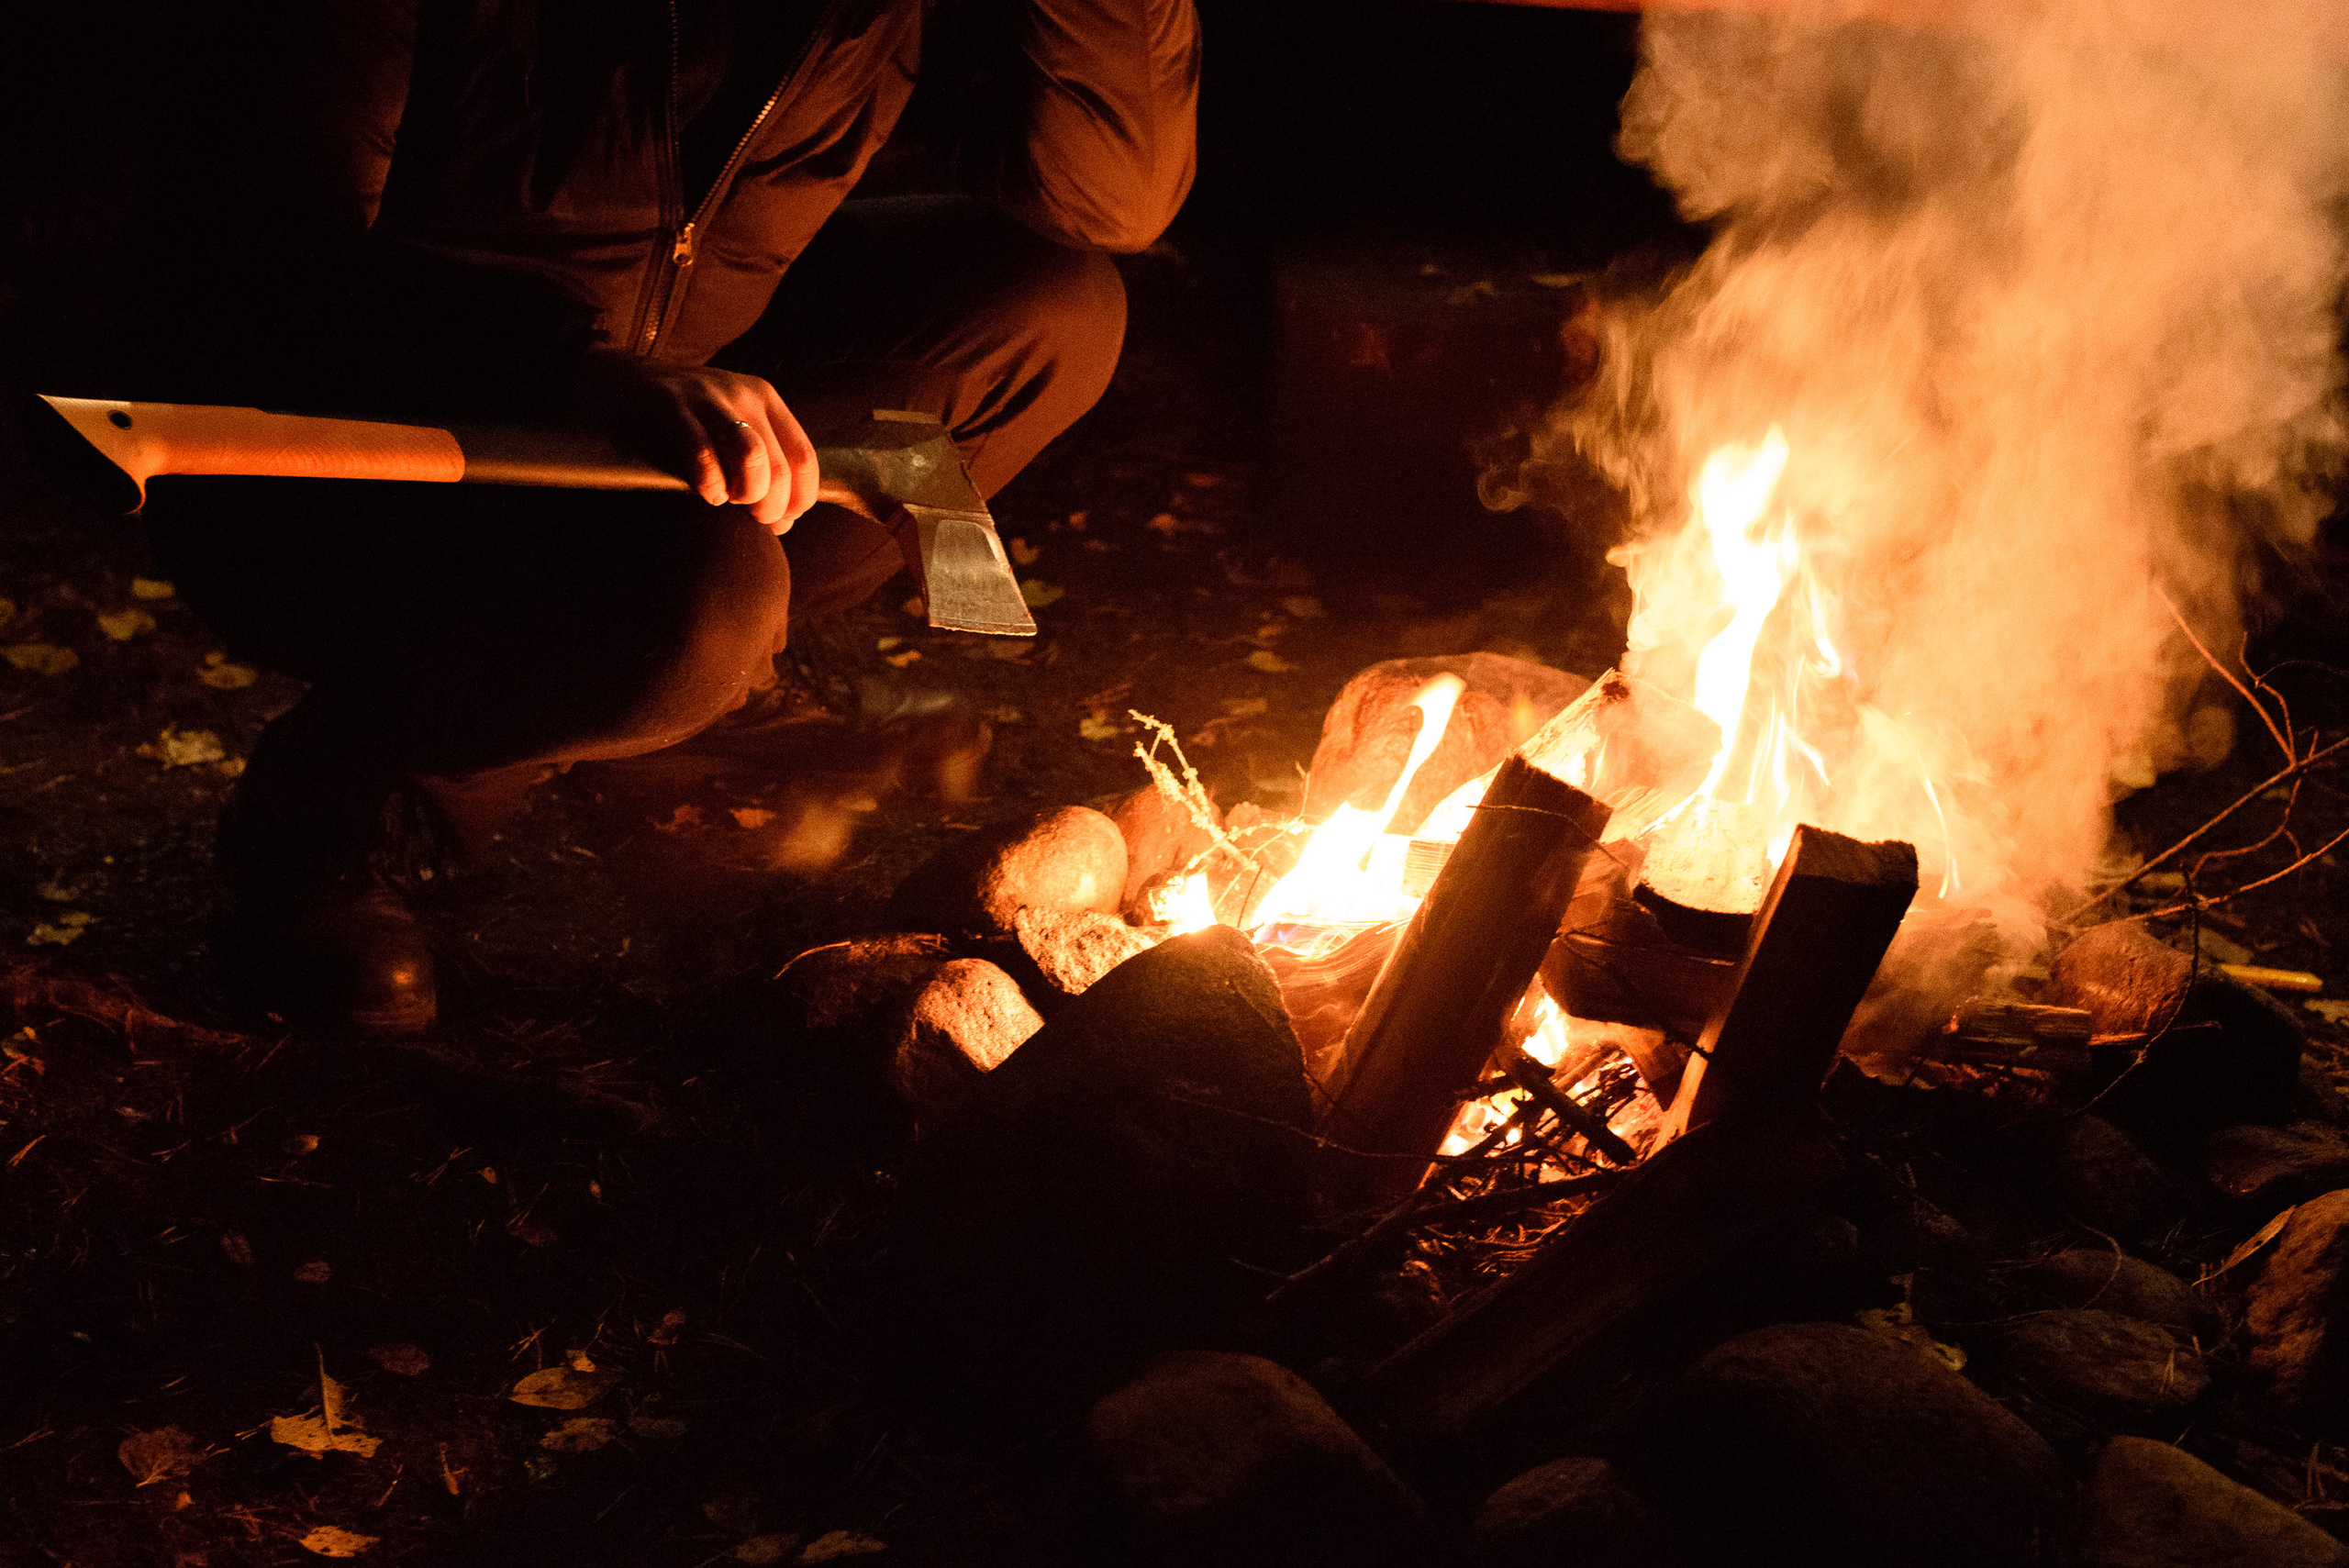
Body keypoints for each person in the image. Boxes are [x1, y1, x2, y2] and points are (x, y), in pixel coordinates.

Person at [118, 0, 1199, 1034]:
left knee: (1052, 308)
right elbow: (268, 263)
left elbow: (1111, 198)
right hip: (353, 460)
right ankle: (341, 794)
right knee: (712, 602)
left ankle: (668, 698)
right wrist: (571, 368)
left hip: (654, 407)